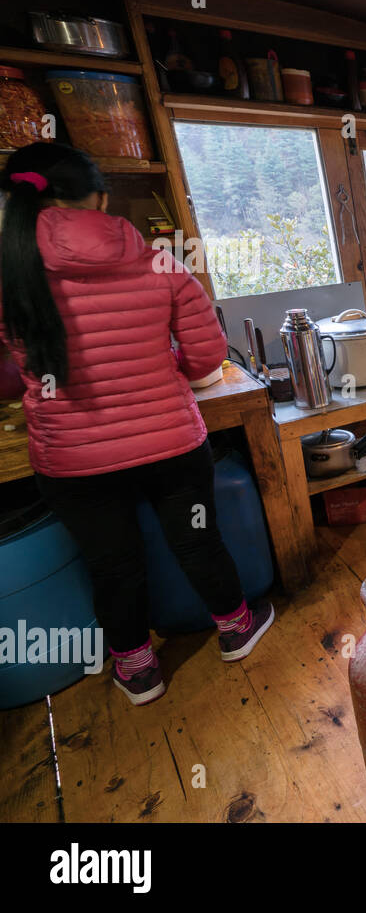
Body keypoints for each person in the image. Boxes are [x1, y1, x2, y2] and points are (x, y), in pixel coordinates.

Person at [0, 142, 273, 705]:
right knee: (198, 542)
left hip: (73, 462)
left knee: (112, 566)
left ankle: (138, 668)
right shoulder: (159, 262)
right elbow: (204, 359)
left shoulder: (11, 278)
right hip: (170, 445)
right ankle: (236, 630)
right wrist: (155, 365)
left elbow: (11, 373)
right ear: (100, 198)